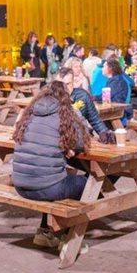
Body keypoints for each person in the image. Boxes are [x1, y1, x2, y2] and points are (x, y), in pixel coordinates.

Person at [12, 81, 93, 248]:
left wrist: (62, 148)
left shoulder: (30, 114)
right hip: (44, 187)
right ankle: (67, 239)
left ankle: (44, 232)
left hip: (20, 185)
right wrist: (68, 146)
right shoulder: (62, 115)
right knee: (87, 185)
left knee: (55, 177)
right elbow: (81, 143)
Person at [55, 66, 114, 140]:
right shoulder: (49, 98)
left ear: (73, 82)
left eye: (67, 84)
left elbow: (94, 119)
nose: (64, 88)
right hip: (56, 138)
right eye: (60, 85)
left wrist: (105, 133)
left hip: (77, 137)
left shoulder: (82, 96)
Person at [104, 58, 134, 123]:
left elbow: (107, 96)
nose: (102, 69)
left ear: (110, 69)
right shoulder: (115, 79)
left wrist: (92, 97)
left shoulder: (116, 81)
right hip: (116, 107)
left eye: (104, 67)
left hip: (118, 111)